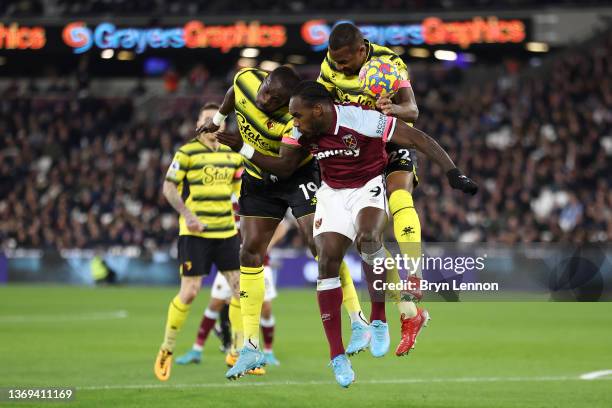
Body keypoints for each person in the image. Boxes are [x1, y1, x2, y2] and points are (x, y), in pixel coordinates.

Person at [216, 81, 478, 387]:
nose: (294, 123)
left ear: (318, 110)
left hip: (368, 186)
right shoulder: (301, 130)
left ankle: (378, 319)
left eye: (298, 116)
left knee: (368, 239)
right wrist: (242, 147)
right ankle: (337, 356)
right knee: (326, 260)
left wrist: (452, 172)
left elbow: (417, 138)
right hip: (332, 193)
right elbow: (285, 167)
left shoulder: (361, 119)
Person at [196, 66, 370, 380]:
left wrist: (242, 147)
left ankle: (358, 320)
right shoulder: (247, 80)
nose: (264, 97)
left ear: (286, 103)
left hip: (295, 174)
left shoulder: (294, 122)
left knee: (320, 247)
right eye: (265, 88)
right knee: (249, 252)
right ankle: (250, 346)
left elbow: (286, 166)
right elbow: (234, 93)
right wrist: (218, 120)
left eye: (274, 98)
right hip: (258, 178)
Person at [318, 22, 429, 356]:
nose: (339, 67)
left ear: (361, 50)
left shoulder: (388, 63)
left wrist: (392, 109)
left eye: (344, 61)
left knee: (400, 198)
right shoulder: (328, 66)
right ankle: (410, 313)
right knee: (369, 244)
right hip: (356, 150)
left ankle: (415, 277)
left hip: (391, 140)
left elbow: (412, 110)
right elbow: (322, 105)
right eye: (335, 61)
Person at [153, 103, 244, 382]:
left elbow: (240, 192)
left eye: (218, 120)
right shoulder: (187, 153)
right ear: (198, 124)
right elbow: (169, 187)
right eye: (207, 120)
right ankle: (167, 348)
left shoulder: (233, 156)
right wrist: (188, 215)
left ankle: (238, 351)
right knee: (190, 292)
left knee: (241, 290)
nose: (213, 124)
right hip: (195, 233)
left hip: (226, 232)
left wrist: (245, 219)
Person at [175, 221, 289, 368]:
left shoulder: (257, 200)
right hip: (230, 262)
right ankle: (196, 350)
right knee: (215, 302)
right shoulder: (226, 202)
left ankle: (268, 352)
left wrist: (269, 244)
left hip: (257, 262)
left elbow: (283, 226)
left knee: (265, 308)